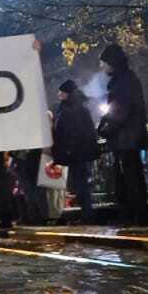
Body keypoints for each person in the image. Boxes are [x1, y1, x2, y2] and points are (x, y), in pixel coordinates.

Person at [98, 43, 148, 223]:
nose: (101, 66)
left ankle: (135, 214)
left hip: (126, 138)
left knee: (130, 177)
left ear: (112, 62)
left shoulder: (122, 82)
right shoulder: (126, 79)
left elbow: (119, 111)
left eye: (103, 62)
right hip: (129, 137)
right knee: (132, 175)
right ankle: (136, 213)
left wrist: (105, 129)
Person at [52, 79, 99, 223]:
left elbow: (73, 132)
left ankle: (87, 215)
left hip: (75, 153)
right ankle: (86, 214)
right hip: (77, 152)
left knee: (80, 184)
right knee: (80, 184)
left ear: (68, 93)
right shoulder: (75, 108)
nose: (59, 94)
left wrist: (68, 148)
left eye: (61, 92)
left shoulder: (71, 110)